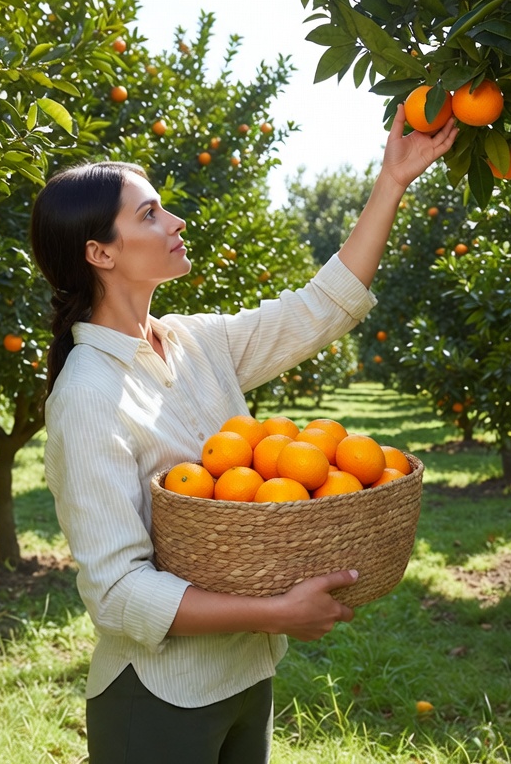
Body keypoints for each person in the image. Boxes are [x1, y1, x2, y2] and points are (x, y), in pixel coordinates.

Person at [30, 105, 457, 763]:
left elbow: (320, 308)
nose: (175, 224)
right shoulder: (88, 394)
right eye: (149, 215)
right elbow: (116, 594)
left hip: (245, 677)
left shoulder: (195, 343)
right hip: (158, 696)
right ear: (99, 253)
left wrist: (392, 181)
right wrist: (274, 612)